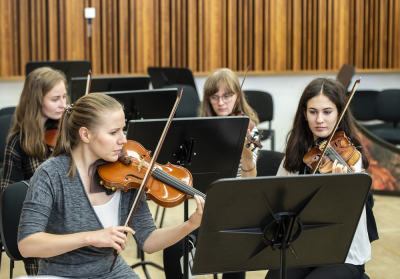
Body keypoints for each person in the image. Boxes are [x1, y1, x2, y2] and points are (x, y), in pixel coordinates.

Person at [17, 93, 205, 278]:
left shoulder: (126, 173)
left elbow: (148, 241)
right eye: (113, 132)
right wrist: (91, 237)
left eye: (123, 130)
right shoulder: (51, 173)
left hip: (111, 272)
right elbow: (27, 244)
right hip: (62, 275)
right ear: (85, 134)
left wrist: (190, 225)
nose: (123, 140)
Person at [265, 77, 378, 279]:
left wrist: (338, 189)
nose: (319, 120)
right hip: (304, 247)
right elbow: (277, 197)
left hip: (345, 253)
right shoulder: (296, 153)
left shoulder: (351, 156)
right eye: (313, 112)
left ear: (338, 113)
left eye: (327, 112)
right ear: (304, 113)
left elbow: (349, 215)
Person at [163, 68, 260, 279]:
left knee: (233, 252)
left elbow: (248, 186)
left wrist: (246, 156)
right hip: (208, 209)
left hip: (239, 214)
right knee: (172, 249)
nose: (221, 102)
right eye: (214, 97)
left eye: (227, 96)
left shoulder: (249, 131)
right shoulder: (200, 130)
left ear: (238, 96)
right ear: (208, 100)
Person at [0, 67, 68, 275]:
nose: (64, 105)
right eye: (55, 99)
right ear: (37, 101)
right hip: (39, 223)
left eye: (64, 97)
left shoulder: (66, 134)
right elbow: (9, 197)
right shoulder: (18, 143)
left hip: (69, 216)